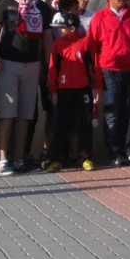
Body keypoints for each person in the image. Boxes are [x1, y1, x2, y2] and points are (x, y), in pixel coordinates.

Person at [0, 0, 54, 176]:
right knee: (7, 113)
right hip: (8, 63)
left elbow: (47, 40)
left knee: (25, 114)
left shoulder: (43, 8)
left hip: (33, 64)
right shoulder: (6, 4)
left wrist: (48, 67)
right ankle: (3, 159)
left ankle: (19, 158)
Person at [87, 0, 130, 166]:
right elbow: (92, 49)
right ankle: (116, 153)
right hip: (110, 72)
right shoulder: (99, 18)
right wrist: (96, 79)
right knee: (113, 113)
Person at [46, 12, 95, 172]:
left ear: (72, 28)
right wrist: (54, 91)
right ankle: (56, 159)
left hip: (83, 89)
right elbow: (53, 69)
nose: (59, 30)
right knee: (60, 124)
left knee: (85, 124)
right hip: (64, 90)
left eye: (62, 27)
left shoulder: (86, 42)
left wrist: (96, 87)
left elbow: (95, 66)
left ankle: (85, 157)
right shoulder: (58, 45)